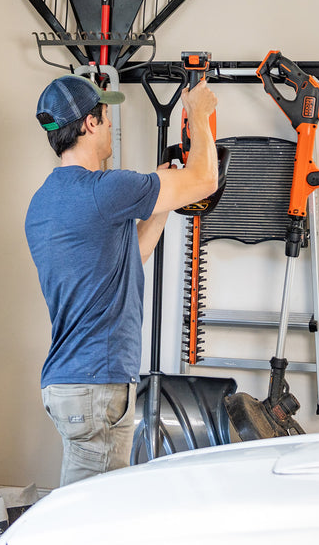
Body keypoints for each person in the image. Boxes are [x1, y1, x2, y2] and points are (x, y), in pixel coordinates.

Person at [25, 72, 218, 487]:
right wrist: (198, 116)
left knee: (92, 509)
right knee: (90, 521)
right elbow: (206, 180)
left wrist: (161, 203)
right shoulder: (105, 190)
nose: (111, 124)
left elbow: (133, 255)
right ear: (90, 123)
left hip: (76, 382)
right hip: (98, 386)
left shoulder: (44, 202)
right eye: (107, 116)